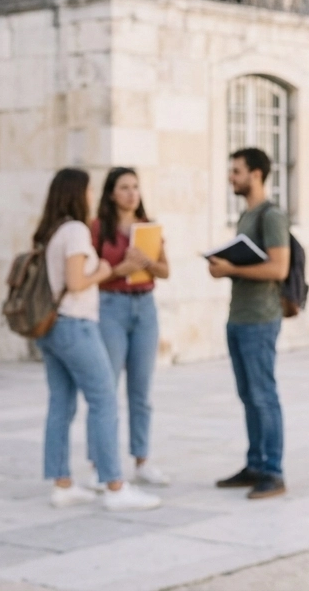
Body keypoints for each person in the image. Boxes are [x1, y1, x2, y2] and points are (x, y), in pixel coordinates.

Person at [33, 168, 161, 511]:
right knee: (104, 399)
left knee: (61, 403)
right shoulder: (75, 231)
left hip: (51, 327)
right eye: (88, 190)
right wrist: (105, 270)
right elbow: (77, 282)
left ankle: (62, 484)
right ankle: (115, 486)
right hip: (76, 325)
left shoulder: (52, 230)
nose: (91, 197)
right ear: (78, 194)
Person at [208, 147, 291, 499]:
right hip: (238, 317)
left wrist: (231, 268)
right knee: (248, 395)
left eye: (237, 171)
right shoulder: (247, 215)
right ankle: (255, 463)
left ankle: (273, 471)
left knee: (263, 395)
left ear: (256, 174)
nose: (231, 177)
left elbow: (278, 269)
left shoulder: (271, 216)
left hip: (260, 319)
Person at [91, 167, 171, 486]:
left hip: (145, 307)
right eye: (124, 187)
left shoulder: (148, 229)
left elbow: (164, 270)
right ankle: (102, 464)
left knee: (141, 390)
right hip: (111, 306)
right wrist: (119, 269)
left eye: (135, 187)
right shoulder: (97, 229)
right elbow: (88, 274)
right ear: (111, 193)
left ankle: (142, 459)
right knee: (106, 388)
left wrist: (146, 263)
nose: (131, 193)